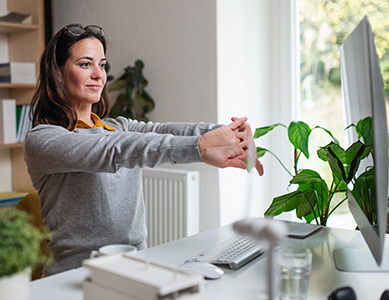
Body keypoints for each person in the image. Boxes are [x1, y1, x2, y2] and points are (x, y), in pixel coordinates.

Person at [23, 24, 264, 277]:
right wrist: (201, 147)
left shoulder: (118, 126)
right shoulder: (43, 140)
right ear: (58, 74)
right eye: (85, 64)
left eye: (102, 65)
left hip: (136, 266)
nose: (98, 75)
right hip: (76, 276)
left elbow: (163, 130)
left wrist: (229, 132)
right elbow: (114, 150)